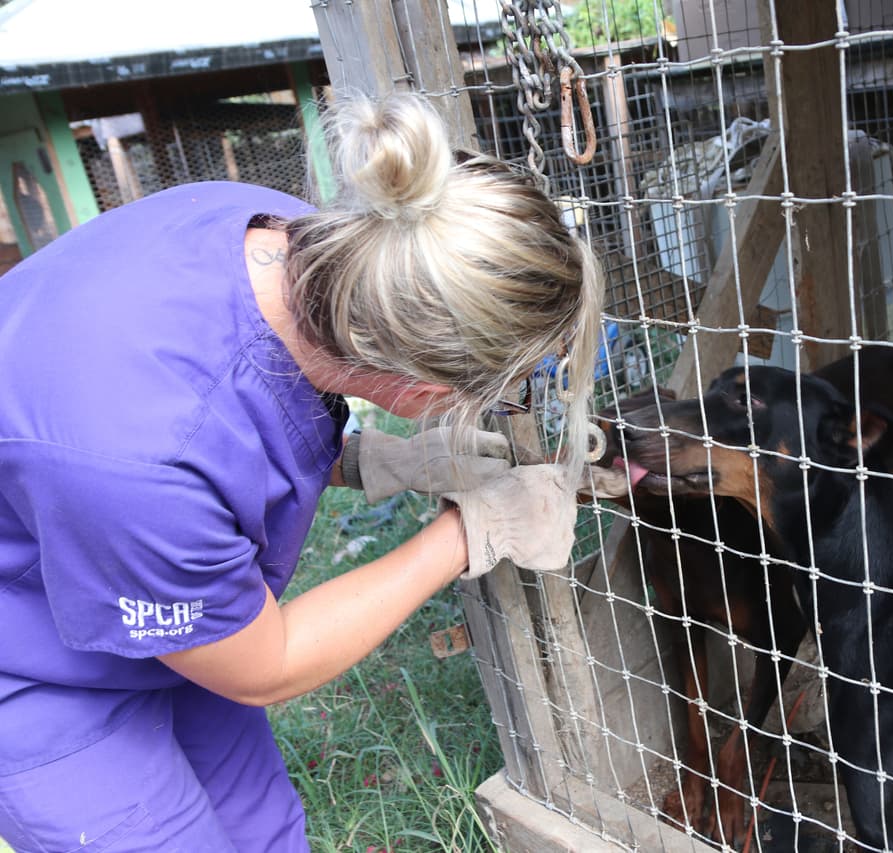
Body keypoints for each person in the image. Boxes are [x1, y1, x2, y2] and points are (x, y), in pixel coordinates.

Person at [0, 92, 603, 852]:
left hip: (141, 554)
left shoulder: (295, 237)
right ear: (423, 390)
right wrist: (470, 531)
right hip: (30, 668)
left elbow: (246, 412)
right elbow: (265, 662)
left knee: (265, 833)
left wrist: (372, 459)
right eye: (507, 392)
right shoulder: (145, 460)